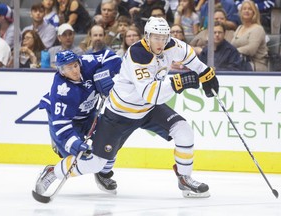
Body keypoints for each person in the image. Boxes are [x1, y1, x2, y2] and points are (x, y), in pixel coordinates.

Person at [35, 17, 219, 198]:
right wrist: (179, 82)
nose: (161, 42)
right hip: (120, 114)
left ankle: (185, 178)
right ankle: (54, 171)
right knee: (97, 163)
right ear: (147, 36)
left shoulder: (171, 44)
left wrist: (205, 73)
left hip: (148, 109)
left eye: (164, 37)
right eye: (156, 37)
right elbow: (150, 93)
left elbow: (188, 55)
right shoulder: (137, 55)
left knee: (183, 130)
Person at [35, 49, 122, 195]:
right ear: (61, 71)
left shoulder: (87, 62)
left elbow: (112, 57)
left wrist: (104, 74)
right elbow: (61, 124)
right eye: (69, 68)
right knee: (73, 157)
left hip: (89, 115)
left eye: (75, 65)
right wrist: (74, 144)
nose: (75, 70)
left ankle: (103, 174)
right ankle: (51, 171)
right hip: (67, 121)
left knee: (110, 140)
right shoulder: (62, 90)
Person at [231, 0, 268, 71]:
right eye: (244, 9)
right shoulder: (239, 27)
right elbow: (232, 45)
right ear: (240, 12)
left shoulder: (258, 29)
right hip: (239, 62)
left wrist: (233, 52)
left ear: (254, 12)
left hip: (255, 65)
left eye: (250, 9)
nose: (246, 11)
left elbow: (251, 49)